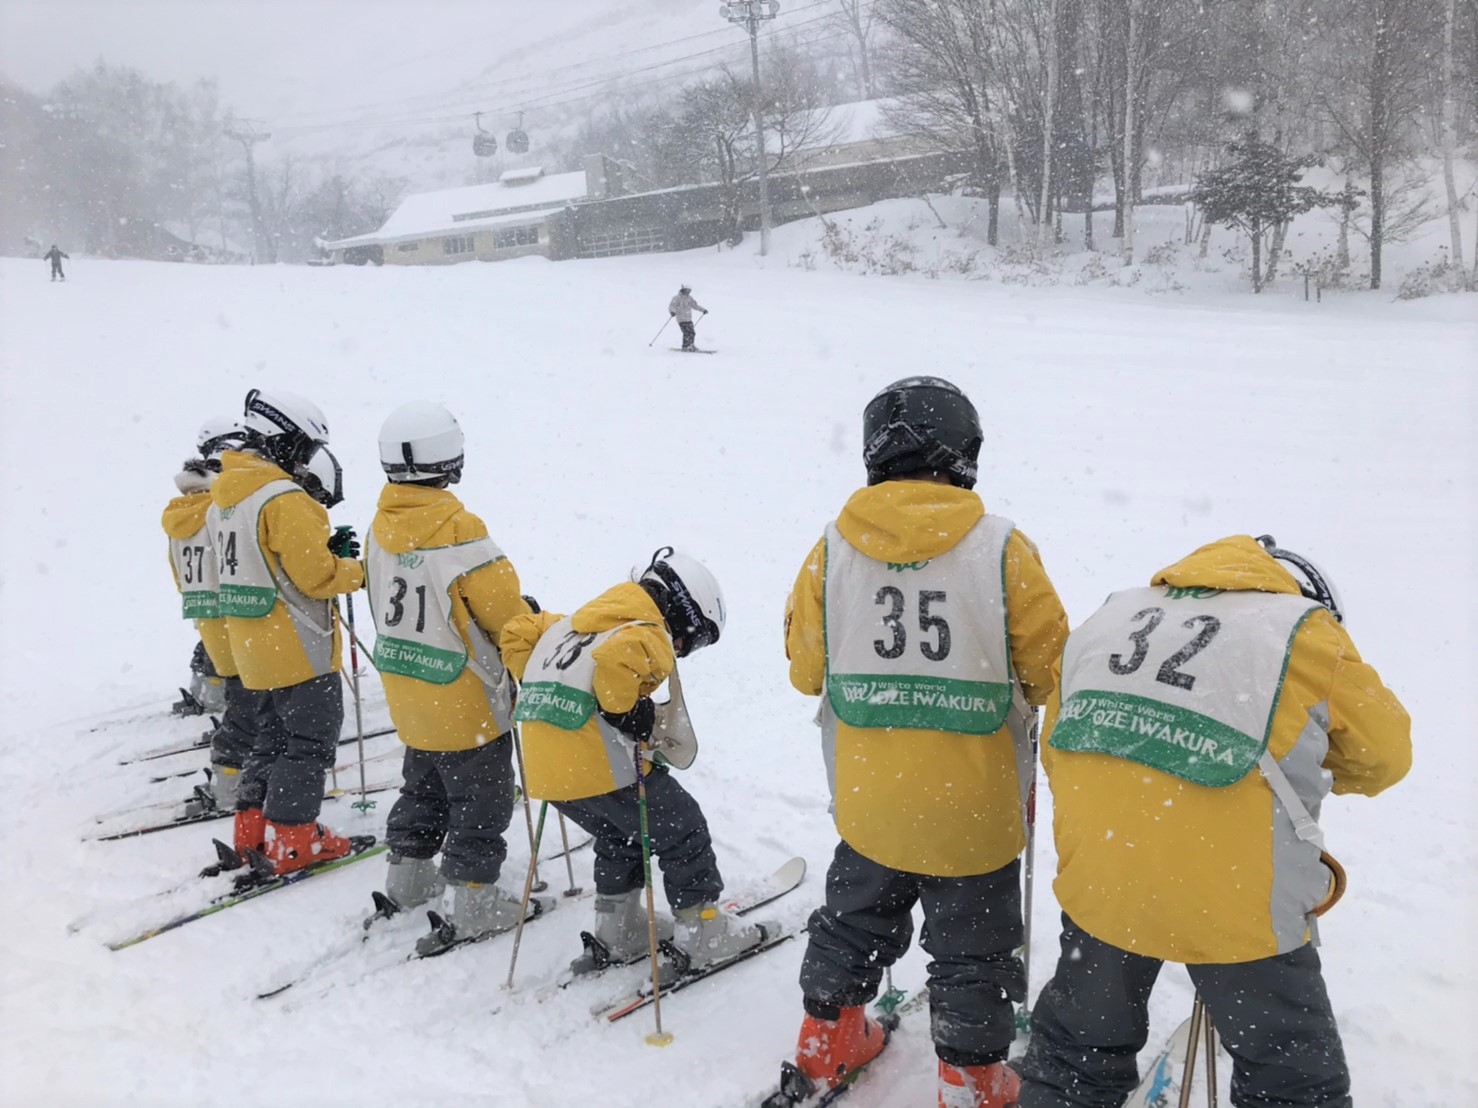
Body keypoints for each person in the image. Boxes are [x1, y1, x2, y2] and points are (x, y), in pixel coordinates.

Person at [1015, 534, 1411, 1108]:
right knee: (1290, 1073)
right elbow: (1385, 758)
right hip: (1235, 895)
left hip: (1105, 876)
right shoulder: (1305, 632)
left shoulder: (1112, 612)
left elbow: (1059, 745)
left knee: (1077, 1047)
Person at [780, 376, 1068, 1108]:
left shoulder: (831, 549)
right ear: (964, 452)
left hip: (870, 799)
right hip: (973, 805)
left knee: (853, 917)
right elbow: (1050, 673)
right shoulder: (1002, 548)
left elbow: (806, 670)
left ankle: (827, 1038)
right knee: (972, 946)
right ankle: (971, 1079)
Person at [499, 547, 772, 975]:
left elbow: (517, 631)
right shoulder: (647, 631)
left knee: (622, 832)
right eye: (692, 639)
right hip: (596, 765)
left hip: (543, 767)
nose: (681, 650)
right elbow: (616, 665)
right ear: (682, 611)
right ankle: (702, 932)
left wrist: (538, 681)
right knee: (683, 828)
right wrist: (630, 711)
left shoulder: (570, 626)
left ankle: (619, 924)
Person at [364, 402, 535, 953]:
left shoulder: (379, 524)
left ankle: (409, 876)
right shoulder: (458, 529)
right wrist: (528, 623)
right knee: (481, 800)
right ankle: (476, 898)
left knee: (423, 784)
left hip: (409, 689)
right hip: (463, 696)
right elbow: (502, 613)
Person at [208, 388, 367, 876]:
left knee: (271, 740)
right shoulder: (285, 499)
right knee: (309, 743)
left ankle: (250, 834)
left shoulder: (225, 500)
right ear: (285, 441)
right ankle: (295, 842)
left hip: (253, 646)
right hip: (298, 645)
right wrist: (357, 569)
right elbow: (315, 577)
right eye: (304, 449)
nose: (306, 461)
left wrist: (323, 550)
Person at [162, 418, 256, 808]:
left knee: (244, 703)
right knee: (253, 707)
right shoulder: (218, 513)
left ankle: (231, 775)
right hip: (241, 622)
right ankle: (230, 782)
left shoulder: (179, 516)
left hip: (211, 625)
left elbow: (179, 578)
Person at [668, 284, 706, 351]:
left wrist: (703, 310)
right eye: (687, 290)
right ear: (683, 290)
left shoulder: (690, 298)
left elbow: (695, 306)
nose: (688, 292)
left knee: (692, 333)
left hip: (688, 318)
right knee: (686, 332)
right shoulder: (677, 298)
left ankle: (690, 345)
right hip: (681, 319)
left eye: (689, 290)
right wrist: (672, 311)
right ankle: (686, 346)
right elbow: (672, 306)